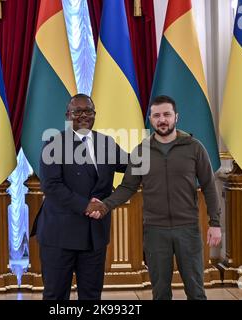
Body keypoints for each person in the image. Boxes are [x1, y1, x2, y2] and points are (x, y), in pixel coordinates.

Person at [87, 95, 222, 300]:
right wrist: (104, 206)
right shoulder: (141, 151)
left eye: (167, 114)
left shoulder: (195, 148)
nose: (162, 120)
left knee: (196, 291)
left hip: (188, 230)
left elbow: (209, 187)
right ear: (151, 119)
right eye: (157, 115)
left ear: (176, 117)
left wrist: (215, 223)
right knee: (160, 293)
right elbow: (127, 187)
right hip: (155, 232)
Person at [33, 93, 128, 300]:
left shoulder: (106, 143)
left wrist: (159, 147)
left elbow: (132, 164)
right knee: (56, 295)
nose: (83, 115)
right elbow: (51, 186)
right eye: (78, 111)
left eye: (89, 111)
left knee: (92, 295)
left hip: (94, 236)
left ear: (95, 115)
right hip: (60, 234)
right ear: (68, 115)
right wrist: (87, 206)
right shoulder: (54, 144)